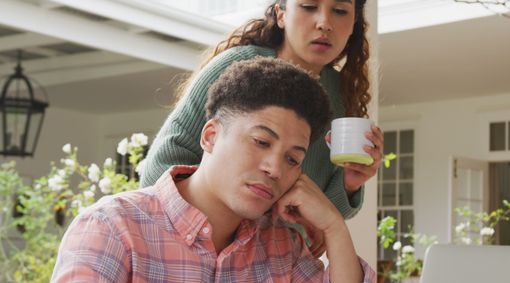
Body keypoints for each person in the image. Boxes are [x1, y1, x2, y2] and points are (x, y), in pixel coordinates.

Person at [36, 58, 378, 283]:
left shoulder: (282, 247)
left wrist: (334, 226)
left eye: (293, 159)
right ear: (211, 136)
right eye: (261, 142)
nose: (275, 168)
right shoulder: (112, 228)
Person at [141, 0, 384, 232]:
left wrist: (348, 183)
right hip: (201, 247)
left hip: (275, 266)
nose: (324, 23)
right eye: (309, 7)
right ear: (281, 14)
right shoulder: (236, 67)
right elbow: (159, 170)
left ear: (354, 24)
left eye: (340, 11)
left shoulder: (341, 94)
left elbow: (312, 220)